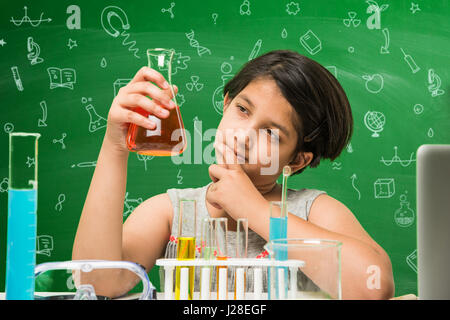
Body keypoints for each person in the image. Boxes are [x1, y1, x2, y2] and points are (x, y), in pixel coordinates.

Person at [72, 50, 394, 299]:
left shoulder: (314, 211)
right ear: (226, 104)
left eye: (271, 133)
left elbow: (373, 286)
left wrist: (253, 209)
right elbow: (97, 282)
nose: (243, 136)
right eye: (242, 109)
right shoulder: (173, 214)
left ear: (296, 161)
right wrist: (115, 146)